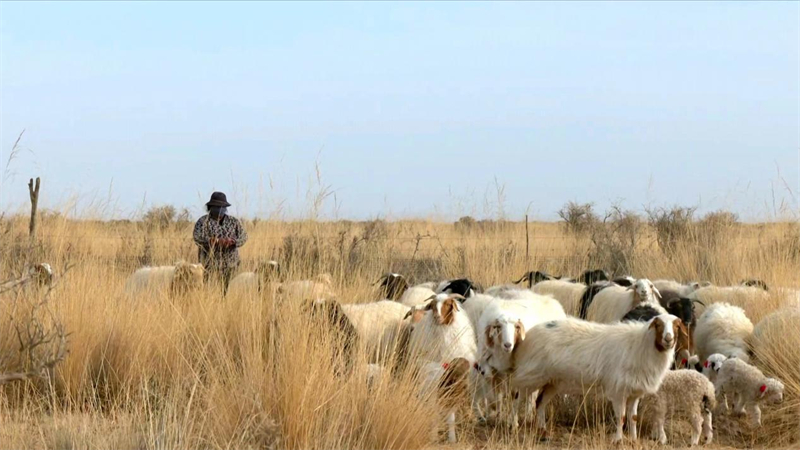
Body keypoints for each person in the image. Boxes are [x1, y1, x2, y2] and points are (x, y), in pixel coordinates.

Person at [193, 192, 248, 293]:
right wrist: (213, 241)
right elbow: (197, 238)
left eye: (222, 206)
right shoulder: (203, 221)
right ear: (210, 207)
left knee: (229, 292)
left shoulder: (234, 221)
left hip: (231, 265)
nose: (220, 209)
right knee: (209, 292)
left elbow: (244, 237)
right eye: (217, 206)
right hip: (208, 266)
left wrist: (233, 242)